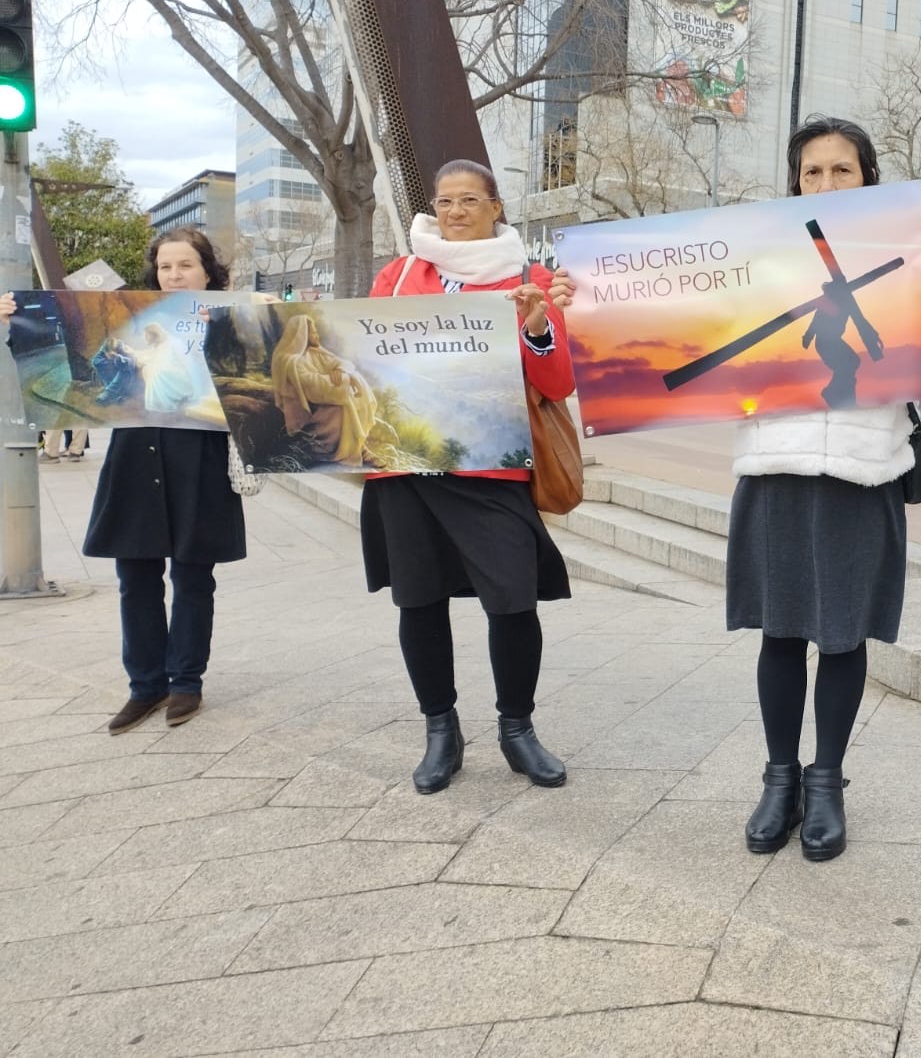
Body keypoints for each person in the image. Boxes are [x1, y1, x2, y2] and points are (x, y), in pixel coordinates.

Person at [733, 115, 921, 860]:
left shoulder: (909, 258)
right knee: (780, 634)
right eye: (813, 172)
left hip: (863, 468)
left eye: (843, 170)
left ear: (870, 179)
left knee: (843, 638)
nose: (828, 183)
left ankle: (827, 780)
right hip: (777, 463)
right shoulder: (759, 257)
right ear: (794, 182)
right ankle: (781, 780)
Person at [362, 158, 576, 795]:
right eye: (444, 201)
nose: (454, 212)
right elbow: (367, 353)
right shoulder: (399, 276)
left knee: (513, 598)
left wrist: (537, 324)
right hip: (408, 463)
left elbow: (557, 381)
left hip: (491, 465)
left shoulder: (530, 279)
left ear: (496, 207)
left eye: (469, 201)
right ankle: (440, 730)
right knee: (418, 599)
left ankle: (518, 729)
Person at [2, 227, 248, 732]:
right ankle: (145, 685)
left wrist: (228, 336)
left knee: (192, 576)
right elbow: (87, 369)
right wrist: (15, 320)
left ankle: (186, 682)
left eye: (185, 265)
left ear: (208, 272)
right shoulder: (135, 318)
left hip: (198, 456)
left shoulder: (235, 317)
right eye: (165, 266)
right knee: (134, 576)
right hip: (136, 455)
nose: (174, 275)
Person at [270, 314, 378, 465]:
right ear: (302, 335)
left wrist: (341, 371)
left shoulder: (316, 352)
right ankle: (356, 450)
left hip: (326, 400)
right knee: (343, 406)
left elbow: (344, 363)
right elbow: (312, 386)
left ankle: (359, 447)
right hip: (309, 410)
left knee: (351, 390)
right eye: (313, 332)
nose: (317, 336)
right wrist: (344, 381)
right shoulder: (290, 361)